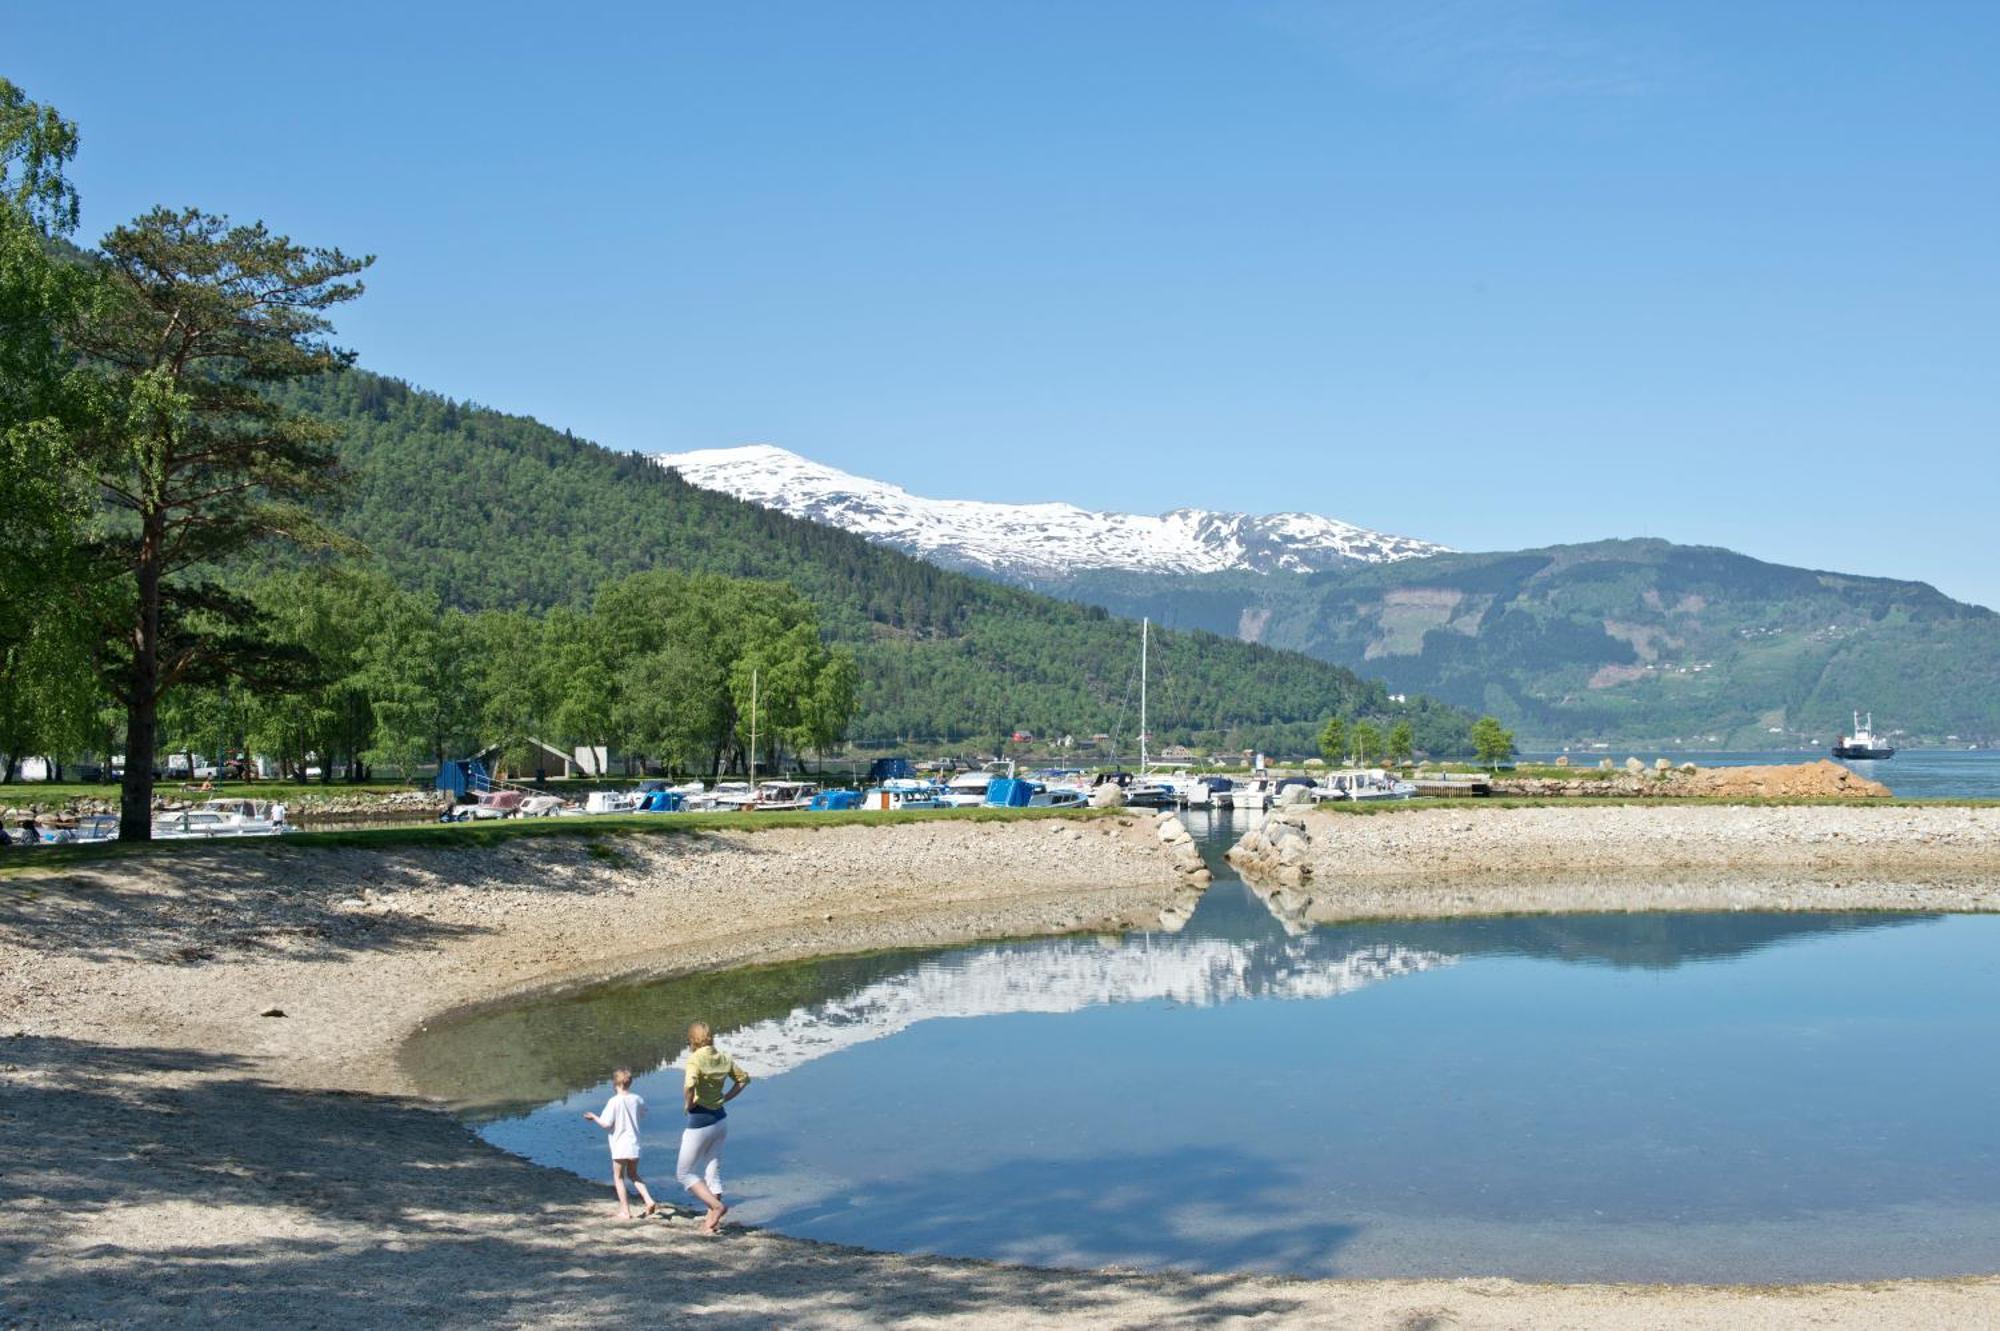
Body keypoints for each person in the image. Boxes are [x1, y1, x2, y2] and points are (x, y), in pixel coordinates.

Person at [679, 1022, 751, 1235]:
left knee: (684, 1173)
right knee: (712, 1170)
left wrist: (688, 1104)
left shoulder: (695, 1059)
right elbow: (743, 1079)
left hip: (700, 1121)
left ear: (692, 1040)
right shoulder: (723, 1057)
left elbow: (689, 1084)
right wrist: (725, 1098)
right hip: (720, 1119)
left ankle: (717, 1207)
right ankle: (711, 1224)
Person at [582, 1067, 658, 1220]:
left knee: (619, 1177)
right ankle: (648, 1200)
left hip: (619, 1145)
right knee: (634, 1174)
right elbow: (643, 1113)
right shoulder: (637, 1099)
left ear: (614, 1083)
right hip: (634, 1144)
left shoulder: (614, 1101)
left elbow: (606, 1124)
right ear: (630, 1083)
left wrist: (594, 1117)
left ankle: (625, 1211)